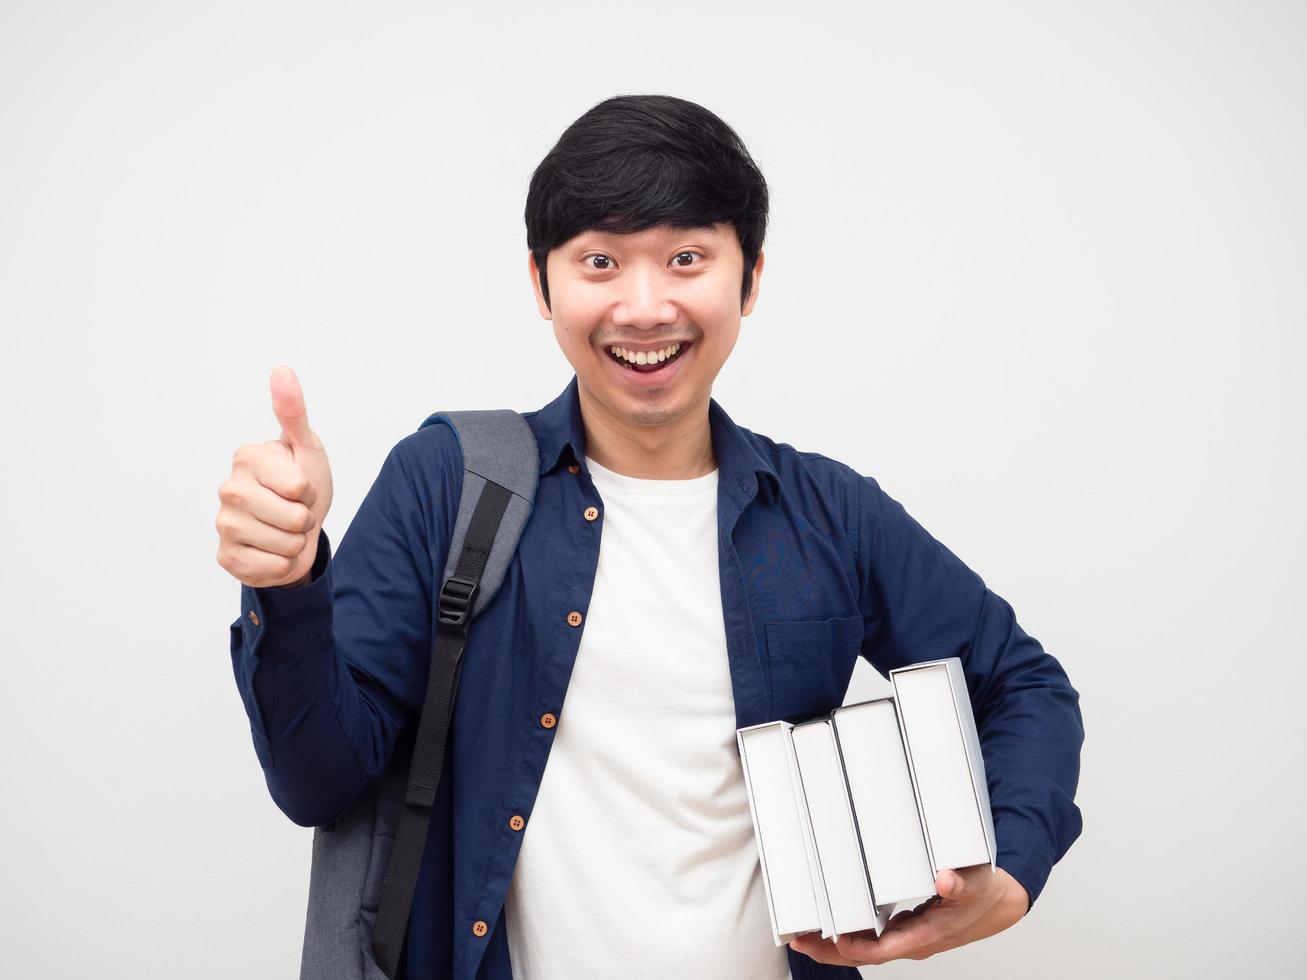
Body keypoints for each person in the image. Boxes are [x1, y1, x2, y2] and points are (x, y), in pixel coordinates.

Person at [216, 94, 1083, 979]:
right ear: (540, 284)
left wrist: (1009, 869)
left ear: (748, 280)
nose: (642, 306)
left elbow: (1021, 683)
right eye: (599, 261)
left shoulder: (827, 514)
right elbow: (316, 780)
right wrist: (290, 585)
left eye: (685, 258)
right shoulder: (449, 482)